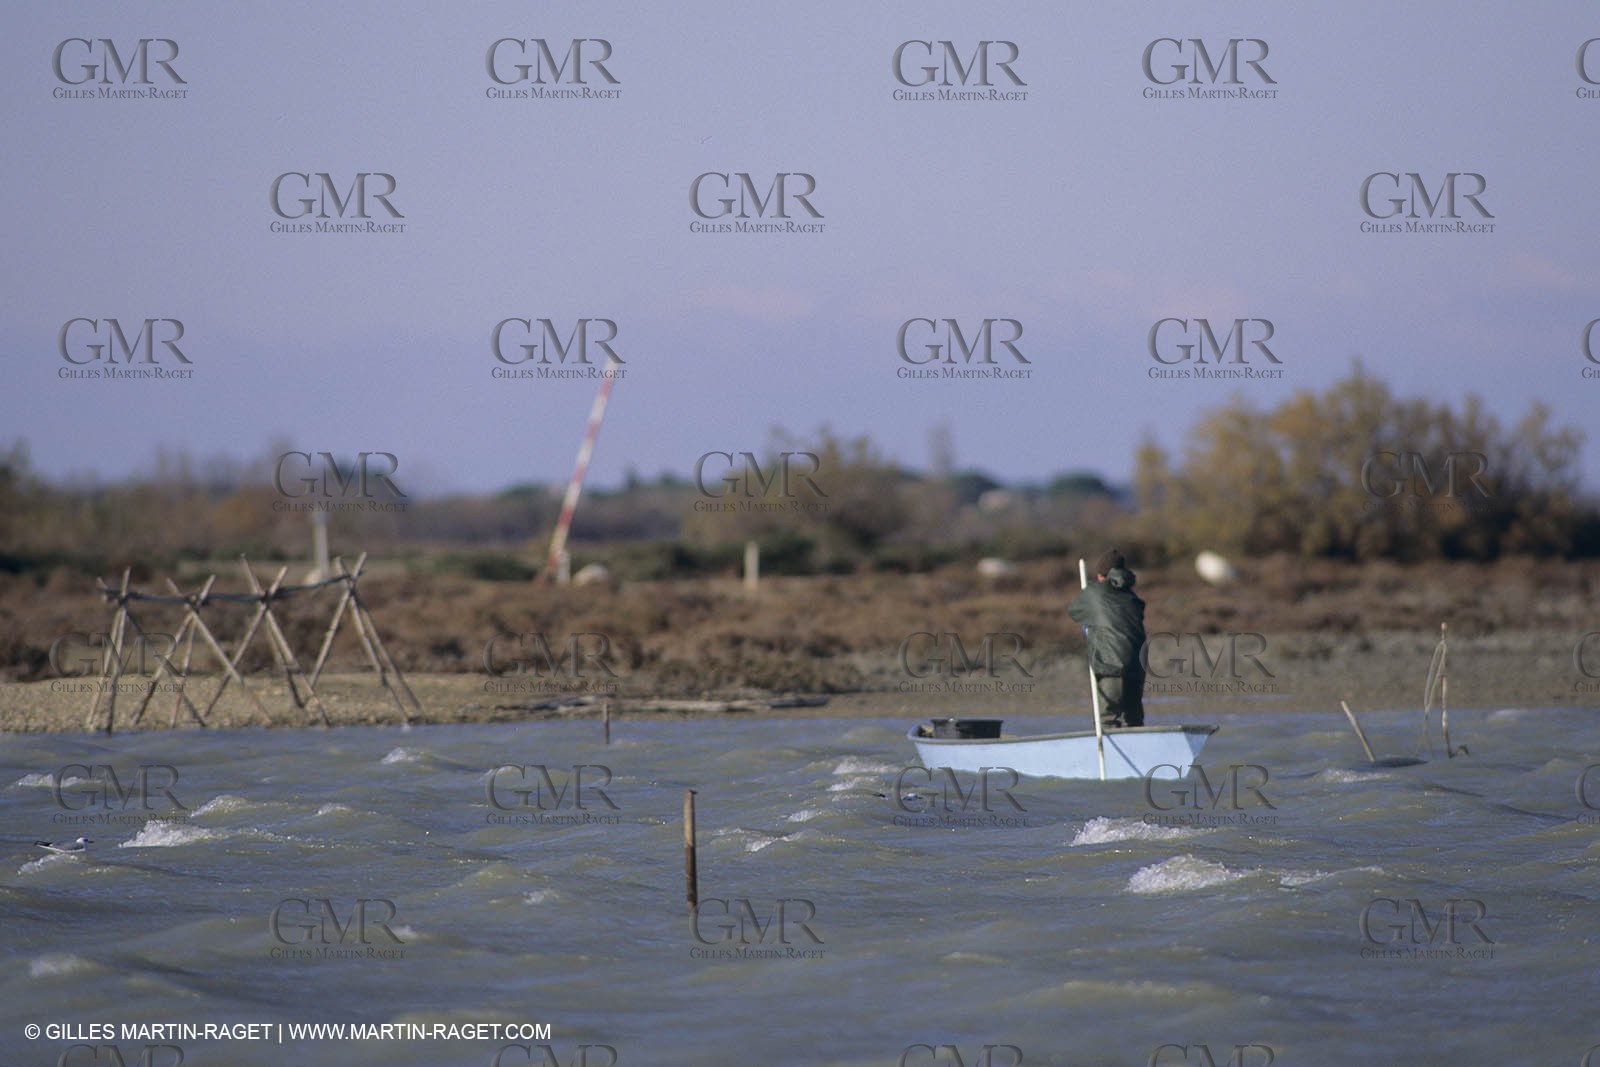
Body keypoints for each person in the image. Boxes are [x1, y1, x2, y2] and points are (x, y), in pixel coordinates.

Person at [1067, 548, 1146, 729]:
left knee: (1107, 719)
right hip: (1137, 666)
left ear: (1101, 575)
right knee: (1134, 719)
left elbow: (1074, 611)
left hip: (1111, 666)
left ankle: (1108, 755)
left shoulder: (1094, 593)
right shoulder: (1132, 596)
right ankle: (1141, 754)